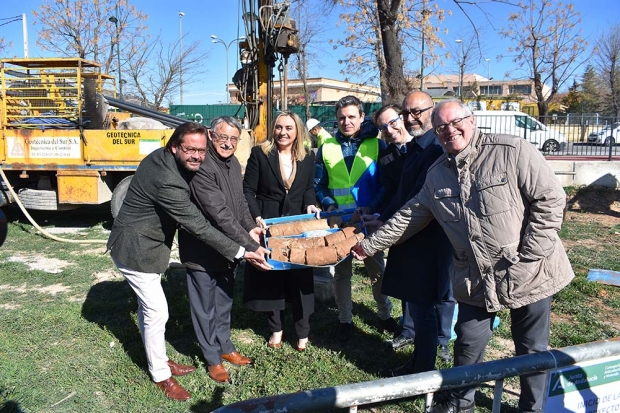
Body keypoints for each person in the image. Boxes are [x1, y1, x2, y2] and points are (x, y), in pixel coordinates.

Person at [352, 99, 574, 413]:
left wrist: (531, 253)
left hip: (530, 269)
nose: (449, 131)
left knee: (531, 348)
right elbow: (409, 216)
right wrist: (369, 245)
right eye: (441, 128)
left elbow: (551, 200)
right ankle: (460, 402)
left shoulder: (512, 151)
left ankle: (531, 408)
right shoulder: (437, 173)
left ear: (471, 120)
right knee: (468, 342)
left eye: (455, 123)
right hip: (475, 277)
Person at [107, 122, 270, 400]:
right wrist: (244, 250)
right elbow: (200, 224)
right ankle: (161, 374)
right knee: (158, 311)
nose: (196, 155)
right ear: (174, 147)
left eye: (200, 150)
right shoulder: (168, 178)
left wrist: (247, 228)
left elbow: (237, 203)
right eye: (190, 149)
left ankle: (160, 356)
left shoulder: (172, 159)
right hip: (136, 248)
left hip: (151, 244)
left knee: (149, 312)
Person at [366, 92, 454, 377]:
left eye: (416, 112)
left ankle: (423, 370)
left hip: (428, 242)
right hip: (407, 238)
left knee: (425, 308)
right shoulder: (416, 148)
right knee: (418, 308)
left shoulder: (437, 151)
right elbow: (402, 194)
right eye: (406, 112)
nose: (410, 118)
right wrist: (381, 217)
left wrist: (382, 231)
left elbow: (420, 203)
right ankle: (420, 362)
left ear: (432, 110)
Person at [178, 116, 265, 384]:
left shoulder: (233, 163)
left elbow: (239, 204)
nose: (227, 143)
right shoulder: (203, 166)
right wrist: (250, 246)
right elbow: (220, 215)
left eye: (233, 139)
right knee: (204, 307)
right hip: (201, 250)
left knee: (224, 302)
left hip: (228, 250)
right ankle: (212, 359)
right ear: (211, 136)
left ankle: (226, 348)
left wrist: (251, 228)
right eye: (222, 137)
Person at [314, 95, 399, 345]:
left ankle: (385, 316)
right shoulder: (326, 147)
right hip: (339, 223)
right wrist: (328, 204)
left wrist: (372, 207)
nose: (346, 121)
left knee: (378, 272)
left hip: (369, 222)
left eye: (352, 116)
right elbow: (319, 184)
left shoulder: (377, 145)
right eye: (341, 117)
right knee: (342, 274)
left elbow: (386, 183)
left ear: (362, 117)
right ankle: (345, 321)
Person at [243, 111, 321, 352]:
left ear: (297, 130)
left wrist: (311, 203)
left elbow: (308, 188)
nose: (283, 132)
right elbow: (248, 191)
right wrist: (257, 217)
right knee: (272, 277)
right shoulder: (260, 153)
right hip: (269, 223)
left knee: (300, 276)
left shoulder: (307, 157)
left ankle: (302, 331)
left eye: (288, 128)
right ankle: (276, 328)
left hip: (298, 225)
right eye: (278, 127)